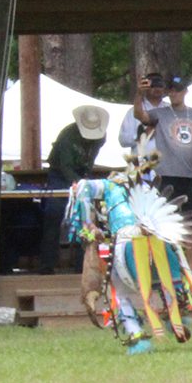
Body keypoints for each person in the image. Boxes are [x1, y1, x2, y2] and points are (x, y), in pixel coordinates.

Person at [64, 135, 192, 355]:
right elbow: (83, 189)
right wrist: (90, 224)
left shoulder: (115, 186)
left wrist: (89, 223)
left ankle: (140, 331)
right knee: (153, 270)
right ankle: (172, 309)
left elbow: (82, 188)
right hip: (141, 239)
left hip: (128, 241)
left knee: (117, 289)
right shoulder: (126, 185)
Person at [130, 75, 192, 229]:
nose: (173, 94)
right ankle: (170, 253)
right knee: (166, 224)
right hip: (166, 177)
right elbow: (139, 115)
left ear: (185, 92)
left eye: (177, 90)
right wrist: (139, 94)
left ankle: (191, 253)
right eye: (170, 91)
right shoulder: (159, 113)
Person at [40, 105, 109, 273]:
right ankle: (47, 264)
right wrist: (78, 183)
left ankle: (82, 264)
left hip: (81, 175)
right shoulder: (67, 137)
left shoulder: (100, 137)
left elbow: (90, 160)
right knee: (54, 213)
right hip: (60, 176)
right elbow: (64, 165)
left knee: (87, 218)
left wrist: (84, 180)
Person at [118, 73, 169, 160]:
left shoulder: (170, 110)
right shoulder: (132, 112)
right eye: (153, 86)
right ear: (146, 88)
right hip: (143, 165)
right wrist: (141, 136)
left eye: (160, 86)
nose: (157, 89)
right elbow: (123, 140)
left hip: (168, 163)